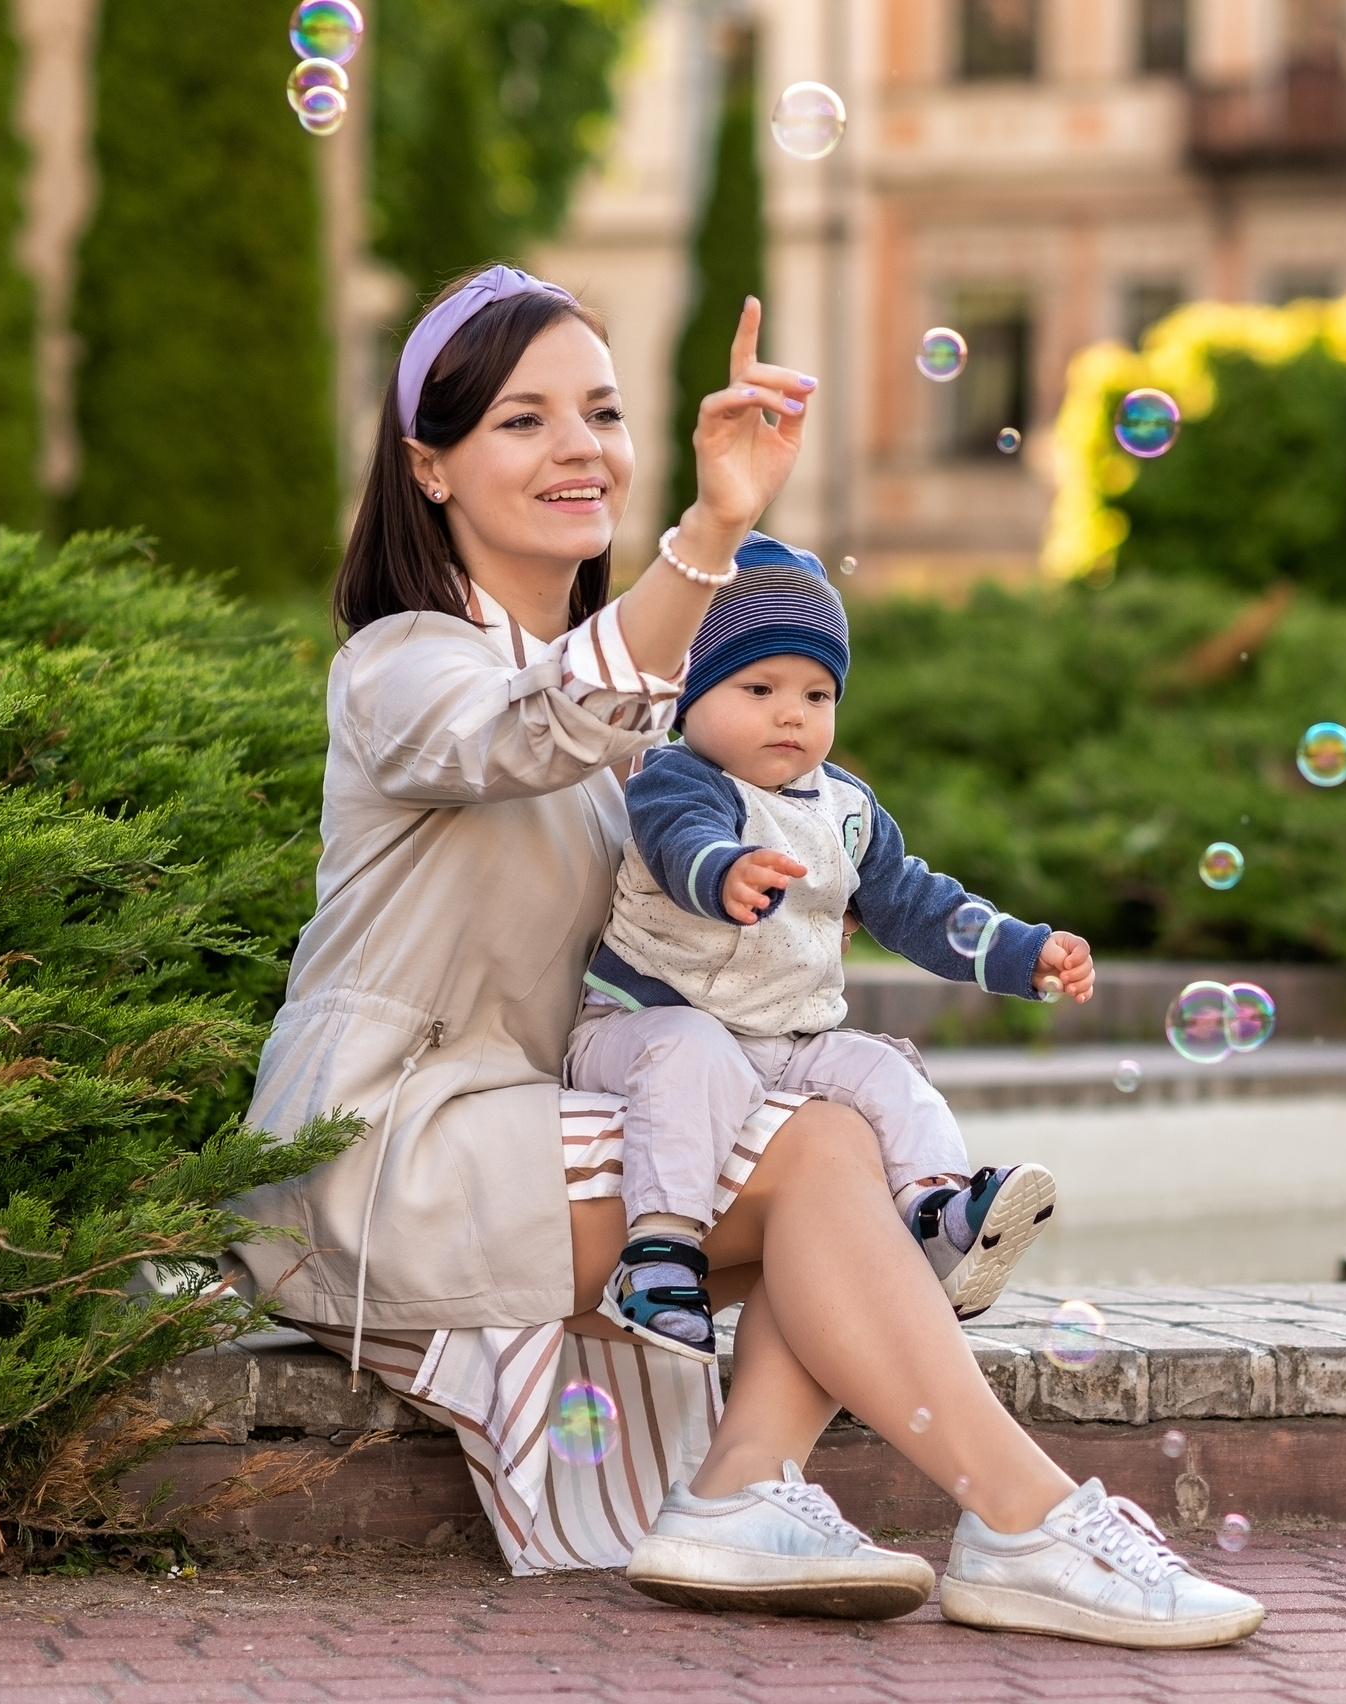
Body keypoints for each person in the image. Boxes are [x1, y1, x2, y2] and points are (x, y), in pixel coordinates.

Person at [223, 263, 1262, 1647]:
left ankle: (748, 1493)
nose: (579, 446)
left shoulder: (651, 727)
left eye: (599, 410)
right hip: (387, 1150)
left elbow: (677, 803)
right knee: (816, 1146)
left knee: (826, 1132)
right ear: (430, 466)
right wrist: (712, 533)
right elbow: (535, 726)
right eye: (522, 422)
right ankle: (1022, 1517)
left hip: (533, 1137)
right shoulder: (404, 666)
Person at [571, 551, 1079, 1363]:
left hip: (784, 1040)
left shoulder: (848, 810)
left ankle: (937, 1213)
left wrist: (1022, 952)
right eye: (759, 689)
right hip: (645, 1022)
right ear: (689, 695)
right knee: (691, 1050)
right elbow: (680, 844)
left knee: (885, 1072)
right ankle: (660, 1252)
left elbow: (920, 905)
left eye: (816, 695)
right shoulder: (678, 777)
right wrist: (727, 870)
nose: (791, 716)